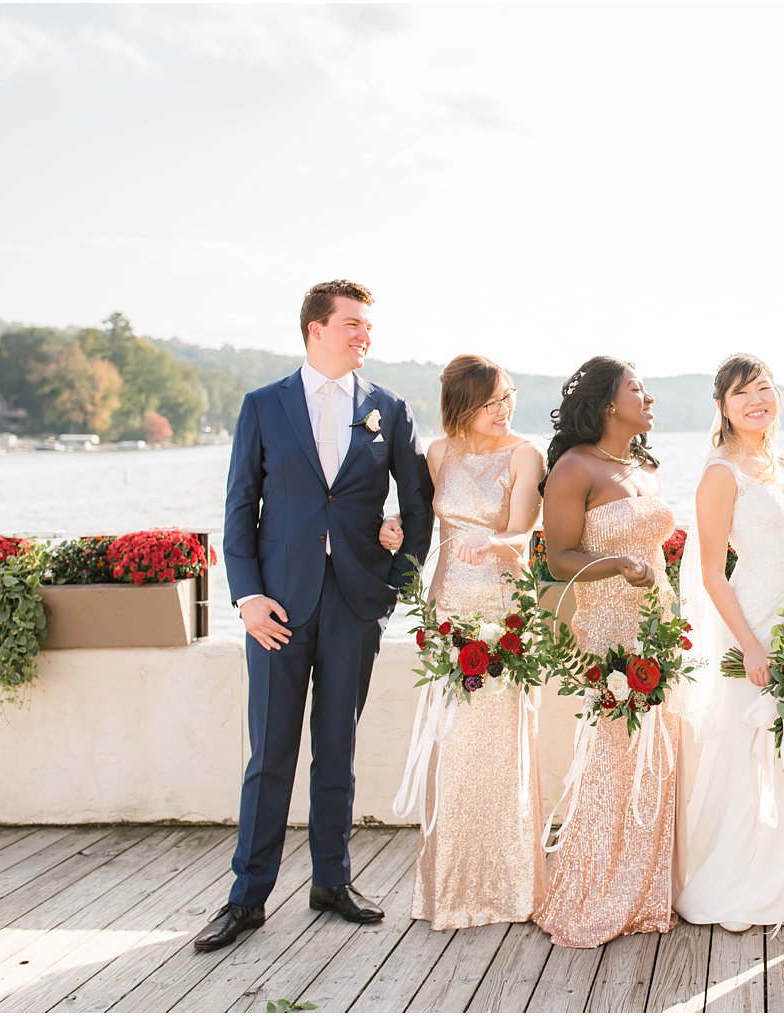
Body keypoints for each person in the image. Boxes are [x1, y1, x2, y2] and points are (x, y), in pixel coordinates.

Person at [195, 280, 432, 952]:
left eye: (369, 328)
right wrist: (245, 595)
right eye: (353, 325)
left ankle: (332, 879)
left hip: (356, 602)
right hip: (277, 606)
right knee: (270, 753)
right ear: (315, 329)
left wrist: (394, 584)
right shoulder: (264, 406)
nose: (365, 337)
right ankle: (247, 897)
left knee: (338, 749)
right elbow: (239, 508)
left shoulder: (389, 408)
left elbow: (417, 508)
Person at [674, 354, 784, 932]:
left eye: (765, 389)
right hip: (756, 617)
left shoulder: (780, 461)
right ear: (723, 407)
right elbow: (710, 573)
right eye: (742, 393)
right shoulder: (721, 473)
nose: (757, 400)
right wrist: (750, 645)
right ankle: (744, 879)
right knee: (754, 744)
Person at [378, 355, 546, 929]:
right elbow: (425, 517)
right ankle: (452, 884)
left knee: (499, 745)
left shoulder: (526, 453)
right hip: (448, 603)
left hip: (502, 605)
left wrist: (498, 547)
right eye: (491, 401)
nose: (505, 410)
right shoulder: (438, 453)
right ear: (461, 406)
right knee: (450, 743)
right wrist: (394, 524)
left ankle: (507, 885)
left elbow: (524, 530)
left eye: (509, 397)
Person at [531, 356, 680, 948]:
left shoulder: (643, 465)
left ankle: (643, 890)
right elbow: (558, 555)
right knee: (614, 750)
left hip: (656, 617)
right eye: (636, 389)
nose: (648, 399)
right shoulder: (574, 467)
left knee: (654, 748)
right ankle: (594, 887)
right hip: (606, 621)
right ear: (607, 402)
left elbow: (657, 545)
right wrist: (615, 564)